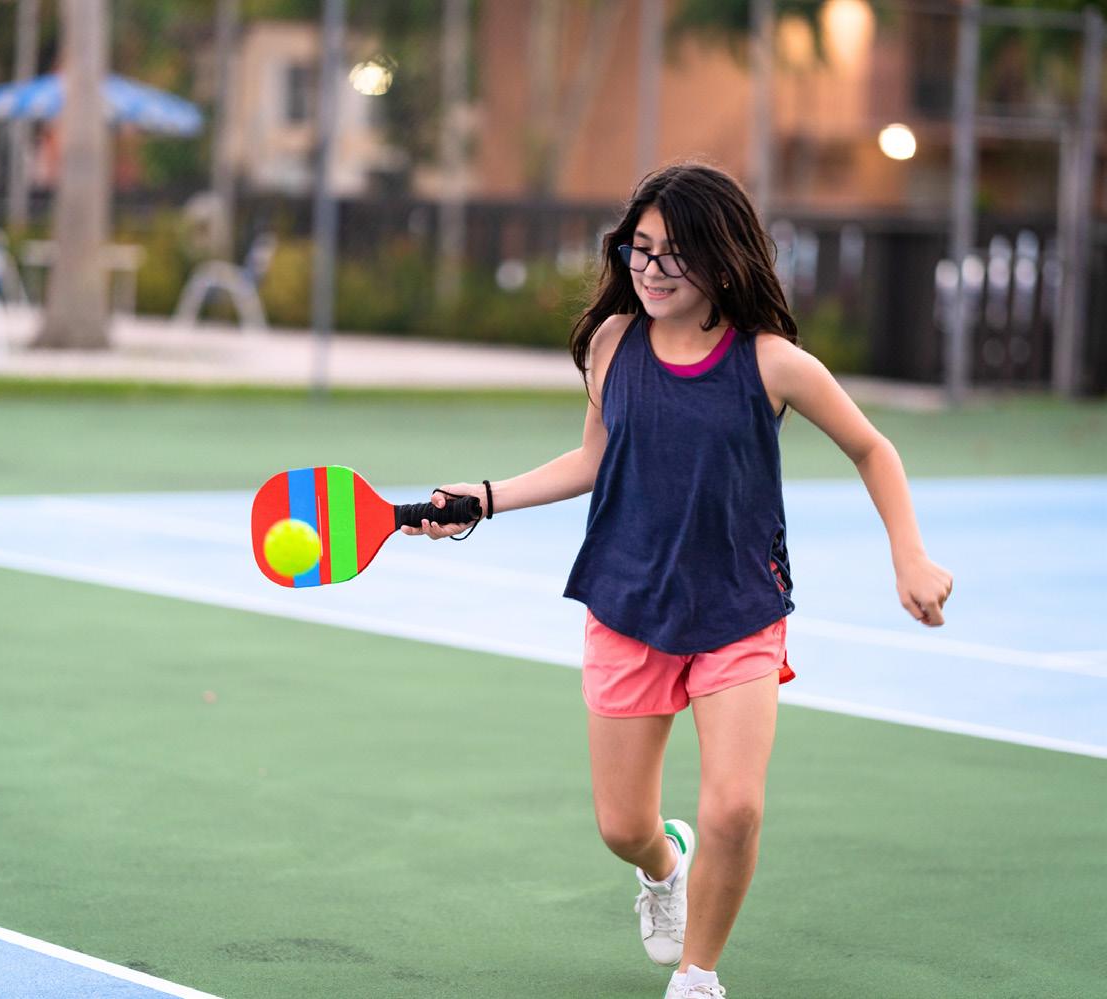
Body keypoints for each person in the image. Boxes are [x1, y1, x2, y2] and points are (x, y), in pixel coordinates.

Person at [402, 162, 953, 999]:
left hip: (739, 609)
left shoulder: (772, 363)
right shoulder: (612, 346)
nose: (651, 269)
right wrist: (485, 497)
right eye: (640, 247)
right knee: (623, 825)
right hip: (628, 602)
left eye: (674, 253)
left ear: (723, 262)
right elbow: (595, 458)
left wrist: (908, 553)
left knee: (736, 805)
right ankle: (664, 866)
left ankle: (698, 975)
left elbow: (873, 447)